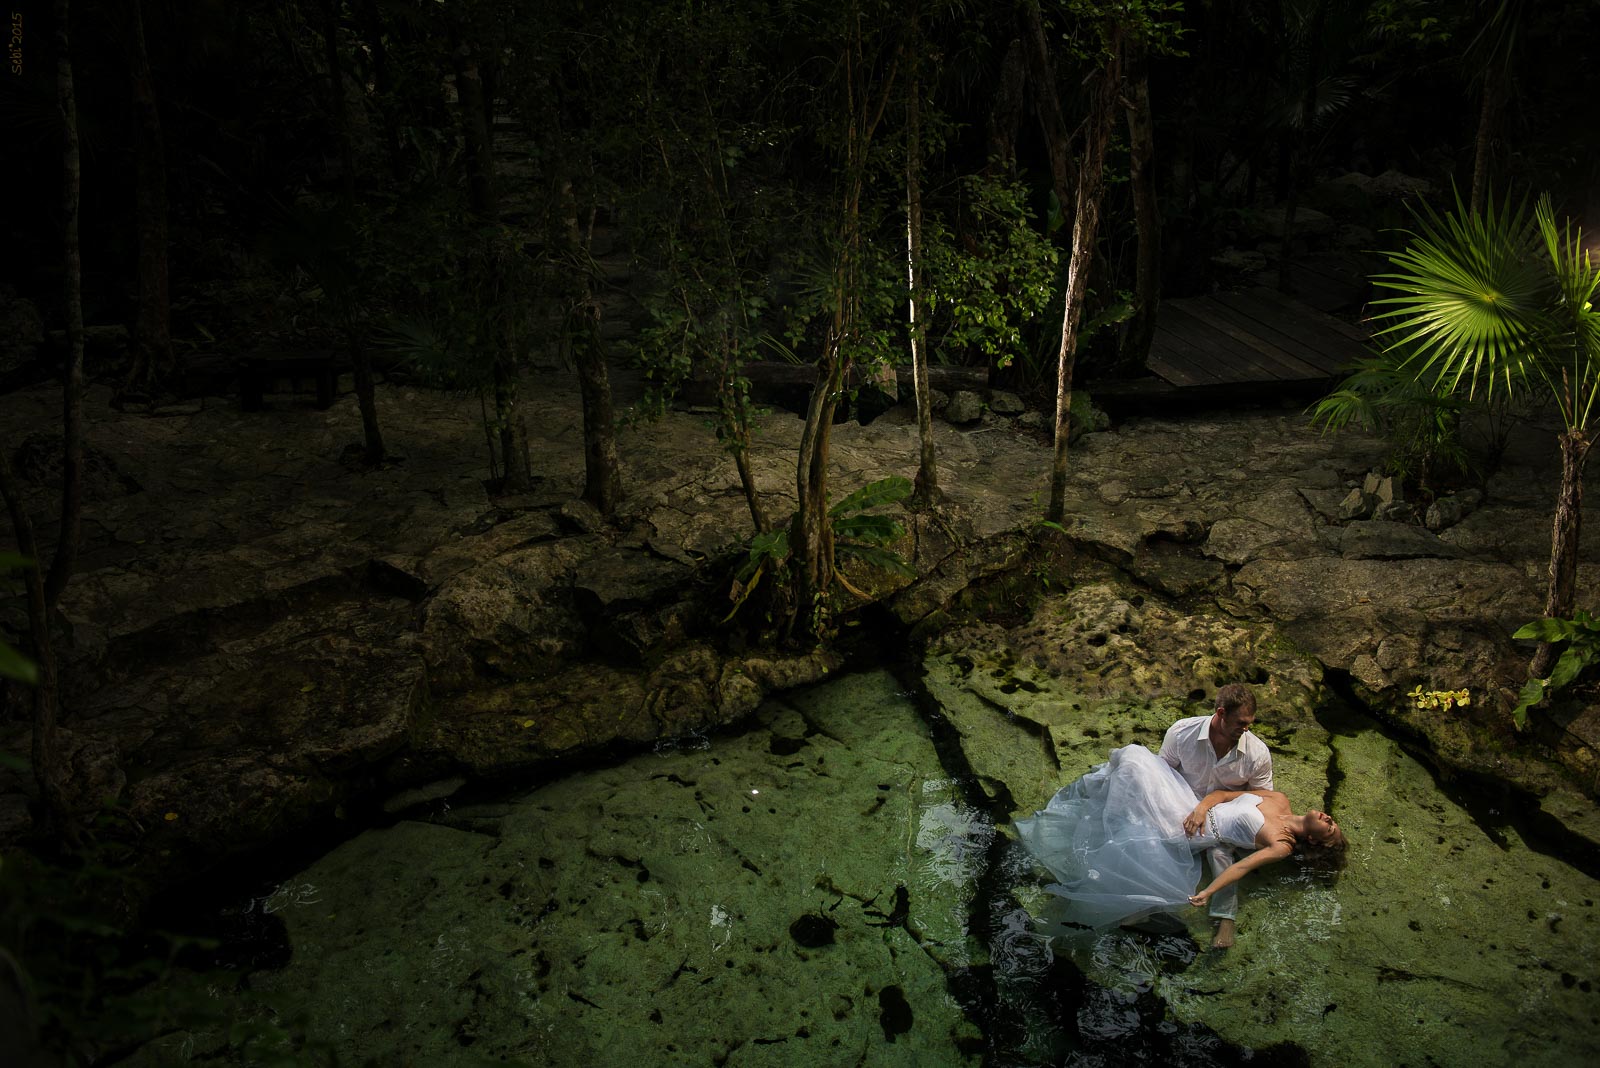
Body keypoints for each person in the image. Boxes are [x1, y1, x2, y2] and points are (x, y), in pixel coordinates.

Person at [1014, 744, 1345, 936]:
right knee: (1135, 755)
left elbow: (1240, 868)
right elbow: (1223, 794)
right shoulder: (1280, 799)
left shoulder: (1282, 845)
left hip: (1185, 832)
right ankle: (1104, 800)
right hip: (1191, 807)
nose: (1329, 820)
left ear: (1315, 842)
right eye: (1332, 821)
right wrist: (1200, 808)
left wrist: (1209, 893)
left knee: (1133, 772)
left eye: (1329, 830)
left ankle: (1106, 809)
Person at [1159, 683, 1271, 948]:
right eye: (1240, 723)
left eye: (1250, 723)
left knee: (1220, 851)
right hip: (1179, 799)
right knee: (1156, 839)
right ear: (1220, 713)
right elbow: (1161, 774)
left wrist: (1212, 808)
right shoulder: (1181, 732)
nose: (1246, 729)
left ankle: (1225, 918)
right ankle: (1149, 903)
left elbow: (1262, 799)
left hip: (1224, 811)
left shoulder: (1257, 754)